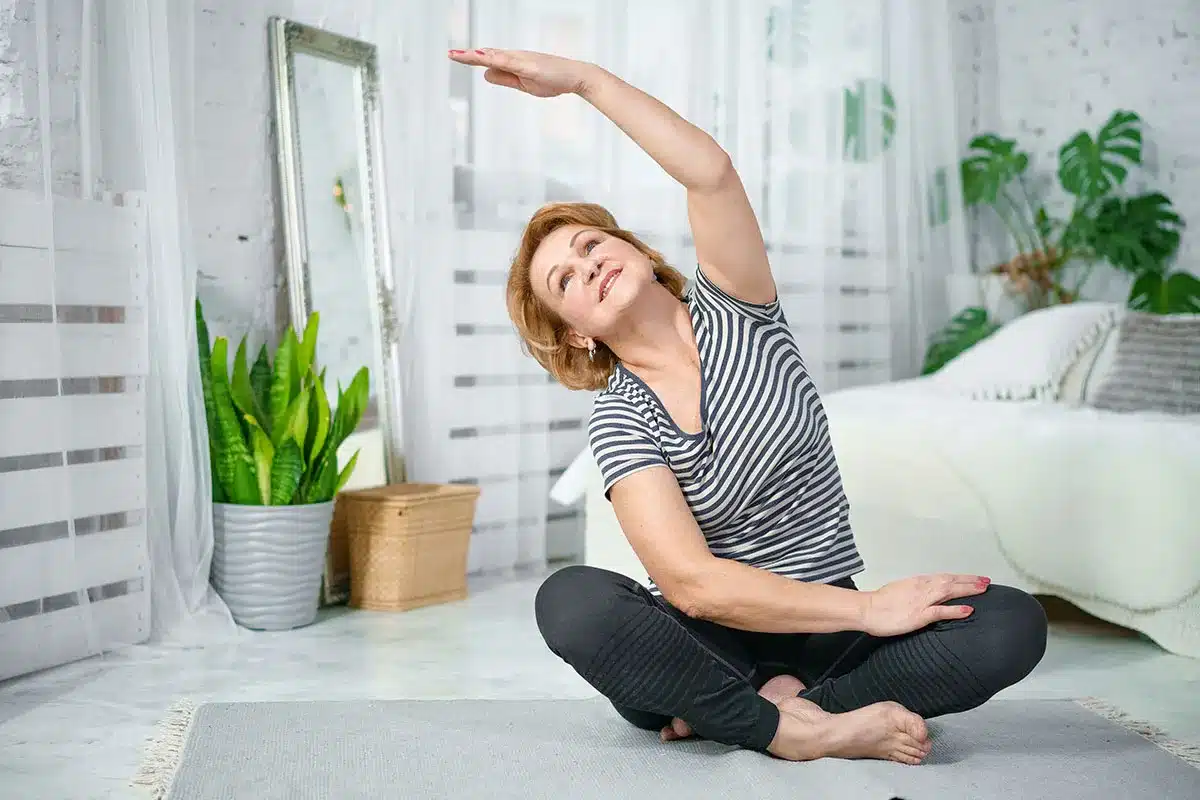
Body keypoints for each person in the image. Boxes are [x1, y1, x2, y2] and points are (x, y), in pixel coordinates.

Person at [448, 47, 1048, 765]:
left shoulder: (739, 307)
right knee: (570, 602)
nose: (588, 264)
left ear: (634, 250)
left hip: (828, 632)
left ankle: (772, 715)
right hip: (708, 642)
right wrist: (873, 607)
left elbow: (710, 172)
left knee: (1011, 624)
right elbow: (691, 586)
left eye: (591, 243)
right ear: (576, 331)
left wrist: (583, 81)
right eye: (565, 278)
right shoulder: (620, 418)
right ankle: (796, 728)